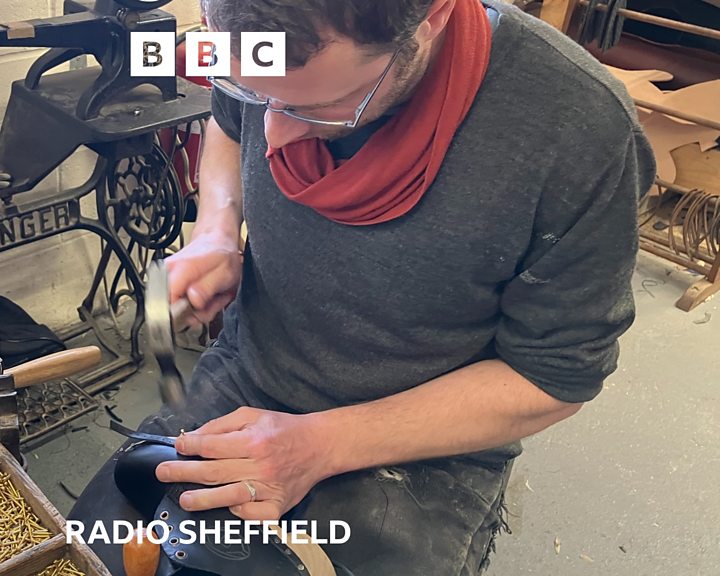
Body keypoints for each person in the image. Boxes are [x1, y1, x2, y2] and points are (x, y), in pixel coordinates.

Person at [70, 0, 656, 573]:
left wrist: (319, 444)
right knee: (88, 555)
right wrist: (217, 230)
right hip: (252, 370)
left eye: (323, 107)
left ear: (431, 18)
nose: (275, 136)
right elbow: (230, 123)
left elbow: (554, 377)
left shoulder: (579, 128)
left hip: (424, 437)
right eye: (255, 93)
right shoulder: (252, 35)